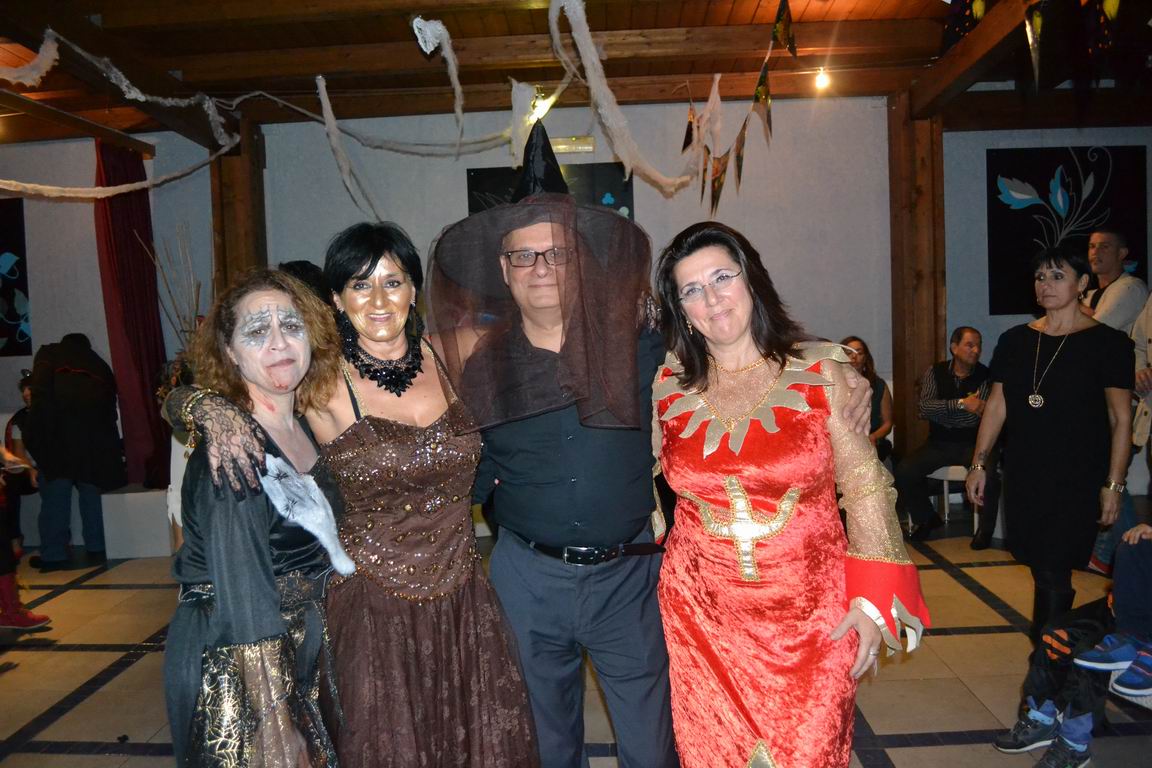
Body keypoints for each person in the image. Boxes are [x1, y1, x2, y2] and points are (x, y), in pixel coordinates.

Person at [427, 124, 876, 768]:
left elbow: (733, 345)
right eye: (524, 256)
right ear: (504, 269)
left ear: (581, 260)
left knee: (652, 745)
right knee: (545, 744)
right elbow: (466, 464)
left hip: (629, 578)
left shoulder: (645, 347)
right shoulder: (481, 367)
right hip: (527, 578)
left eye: (556, 252)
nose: (541, 269)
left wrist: (835, 363)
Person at [169, 229, 538, 767]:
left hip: (465, 603)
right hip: (370, 610)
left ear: (414, 291)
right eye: (361, 285)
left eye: (394, 282)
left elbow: (538, 335)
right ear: (337, 300)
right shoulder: (315, 379)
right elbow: (238, 386)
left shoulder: (455, 355)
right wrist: (200, 406)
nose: (380, 299)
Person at [651, 222, 929, 768]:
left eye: (722, 277)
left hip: (812, 618)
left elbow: (865, 484)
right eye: (692, 290)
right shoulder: (667, 385)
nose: (712, 298)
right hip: (701, 616)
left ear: (751, 279)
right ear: (681, 309)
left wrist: (872, 599)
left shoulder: (821, 371)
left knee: (810, 751)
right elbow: (638, 470)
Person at [164, 269, 351, 767]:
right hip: (236, 663)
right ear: (229, 351)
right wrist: (274, 722)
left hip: (296, 646)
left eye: (290, 326)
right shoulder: (233, 448)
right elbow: (243, 599)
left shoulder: (304, 426)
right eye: (256, 331)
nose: (278, 343)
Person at [967, 243, 1134, 644]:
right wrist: (979, 463)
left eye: (1058, 276)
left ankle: (1046, 653)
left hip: (1077, 474)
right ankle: (1054, 646)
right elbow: (997, 406)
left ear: (1082, 283)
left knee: (1054, 566)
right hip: (1025, 470)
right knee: (1036, 561)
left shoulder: (1108, 343)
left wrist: (1114, 484)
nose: (1046, 284)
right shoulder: (1015, 340)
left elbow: (1120, 419)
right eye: (1040, 277)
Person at [990, 522, 1152, 768]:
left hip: (1141, 619)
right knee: (1056, 633)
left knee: (1089, 655)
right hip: (1125, 608)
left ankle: (1074, 744)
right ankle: (1043, 716)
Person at [23, 333, 126, 571]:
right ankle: (97, 547)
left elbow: (40, 393)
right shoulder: (99, 365)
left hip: (56, 439)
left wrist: (35, 435)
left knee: (55, 499)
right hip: (93, 444)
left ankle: (53, 554)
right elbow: (110, 410)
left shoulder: (50, 353)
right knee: (91, 494)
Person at [895, 326, 1002, 548]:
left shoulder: (987, 376)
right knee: (905, 470)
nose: (976, 350)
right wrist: (962, 403)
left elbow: (974, 417)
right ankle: (926, 518)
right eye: (969, 345)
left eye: (978, 346)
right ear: (954, 347)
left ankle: (985, 530)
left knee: (989, 474)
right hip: (939, 443)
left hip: (973, 443)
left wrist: (943, 412)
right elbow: (924, 408)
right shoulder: (935, 372)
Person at [1079, 227, 1146, 335]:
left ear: (1121, 253)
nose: (1095, 252)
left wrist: (1069, 305)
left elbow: (1095, 331)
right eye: (1092, 246)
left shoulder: (1132, 287)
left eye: (1105, 247)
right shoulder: (1090, 294)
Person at [841, 336, 893, 462]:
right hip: (843, 442)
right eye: (849, 353)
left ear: (865, 358)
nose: (854, 357)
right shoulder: (835, 385)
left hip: (871, 439)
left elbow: (888, 424)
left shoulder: (878, 385)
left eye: (859, 353)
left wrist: (873, 437)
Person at [3, 371, 36, 558]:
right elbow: (19, 453)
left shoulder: (54, 413)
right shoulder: (20, 419)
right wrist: (30, 470)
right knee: (10, 483)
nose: (26, 395)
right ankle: (14, 537)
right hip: (29, 467)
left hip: (54, 465)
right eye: (24, 391)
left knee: (55, 481)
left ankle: (61, 537)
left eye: (30, 390)